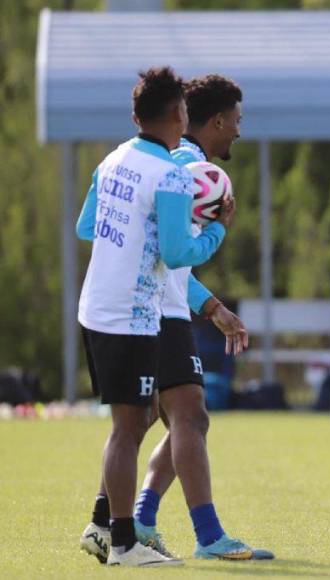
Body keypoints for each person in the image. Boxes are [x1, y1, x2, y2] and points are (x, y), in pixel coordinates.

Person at [78, 73, 271, 564]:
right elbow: (175, 253)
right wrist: (216, 232)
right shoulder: (181, 168)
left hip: (139, 306)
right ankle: (187, 534)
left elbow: (91, 228)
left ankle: (125, 521)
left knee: (157, 418)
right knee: (176, 418)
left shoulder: (121, 158)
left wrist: (210, 306)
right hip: (151, 311)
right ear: (211, 119)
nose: (239, 132)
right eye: (237, 122)